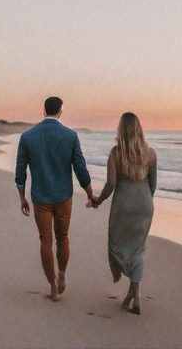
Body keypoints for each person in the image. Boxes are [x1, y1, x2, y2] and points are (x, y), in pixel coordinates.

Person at [15, 96, 98, 302]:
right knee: (63, 237)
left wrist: (22, 198)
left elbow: (20, 170)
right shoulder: (70, 136)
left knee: (45, 240)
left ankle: (52, 285)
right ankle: (62, 274)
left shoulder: (27, 136)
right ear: (60, 112)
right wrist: (90, 194)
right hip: (63, 196)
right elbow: (80, 168)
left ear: (44, 111)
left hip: (40, 197)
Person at [96, 112, 157, 315]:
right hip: (144, 205)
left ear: (121, 130)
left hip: (123, 206)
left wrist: (99, 200)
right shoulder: (151, 153)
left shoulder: (115, 153)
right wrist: (145, 204)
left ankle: (135, 294)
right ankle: (133, 294)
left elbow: (111, 184)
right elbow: (153, 185)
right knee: (138, 249)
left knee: (117, 245)